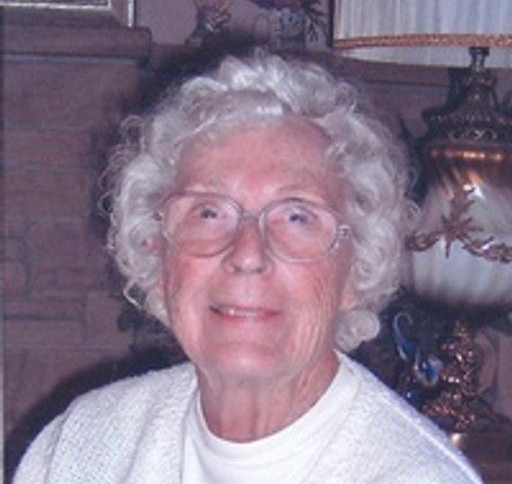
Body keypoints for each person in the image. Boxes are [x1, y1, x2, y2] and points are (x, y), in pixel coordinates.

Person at [14, 52, 482, 483]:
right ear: (157, 254)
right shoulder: (81, 448)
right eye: (208, 212)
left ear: (356, 267)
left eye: (297, 216)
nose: (247, 254)